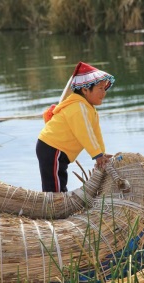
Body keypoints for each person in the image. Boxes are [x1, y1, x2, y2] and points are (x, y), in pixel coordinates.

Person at [36, 62, 115, 193]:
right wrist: (96, 155)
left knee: (60, 180)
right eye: (100, 88)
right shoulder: (78, 108)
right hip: (52, 147)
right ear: (85, 90)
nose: (104, 93)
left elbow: (95, 133)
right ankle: (52, 209)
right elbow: (84, 133)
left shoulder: (89, 109)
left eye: (104, 88)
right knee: (53, 186)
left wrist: (102, 153)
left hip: (58, 150)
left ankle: (59, 207)